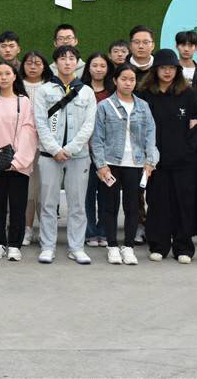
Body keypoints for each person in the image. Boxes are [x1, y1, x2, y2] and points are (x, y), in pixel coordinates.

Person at [90, 63, 159, 265]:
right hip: (111, 164)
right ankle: (112, 246)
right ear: (115, 80)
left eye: (132, 79)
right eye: (124, 79)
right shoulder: (104, 106)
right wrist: (101, 165)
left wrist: (150, 161)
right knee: (109, 206)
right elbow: (97, 139)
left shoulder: (143, 106)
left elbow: (150, 135)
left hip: (136, 164)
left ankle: (128, 247)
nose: (128, 83)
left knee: (132, 207)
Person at [34, 45, 97, 265]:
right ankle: (48, 246)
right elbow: (40, 122)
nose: (67, 62)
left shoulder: (87, 91)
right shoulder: (44, 90)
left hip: (78, 156)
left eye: (71, 58)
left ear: (77, 63)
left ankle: (76, 247)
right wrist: (54, 149)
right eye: (63, 58)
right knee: (48, 202)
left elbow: (89, 125)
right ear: (56, 63)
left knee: (77, 203)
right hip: (49, 155)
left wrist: (69, 149)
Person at [139, 49, 197, 263]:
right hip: (155, 162)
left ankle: (183, 247)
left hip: (184, 162)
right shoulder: (145, 94)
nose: (167, 72)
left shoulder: (188, 93)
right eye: (163, 68)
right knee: (157, 203)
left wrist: (187, 151)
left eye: (172, 68)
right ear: (155, 70)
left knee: (183, 204)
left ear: (178, 70)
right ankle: (158, 245)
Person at [0, 62, 38, 262]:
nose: (3, 77)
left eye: (7, 73)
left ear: (14, 76)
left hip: (18, 163)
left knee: (18, 205)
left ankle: (14, 245)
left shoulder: (24, 102)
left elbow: (29, 132)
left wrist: (19, 160)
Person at [80, 53, 115, 248]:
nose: (99, 69)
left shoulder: (113, 91)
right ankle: (90, 232)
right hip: (84, 149)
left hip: (108, 150)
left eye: (103, 65)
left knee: (106, 192)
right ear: (88, 68)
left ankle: (104, 231)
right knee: (87, 193)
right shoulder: (80, 90)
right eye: (95, 65)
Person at [20, 51, 51, 247]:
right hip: (23, 144)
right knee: (28, 190)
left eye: (37, 63)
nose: (32, 67)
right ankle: (27, 229)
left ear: (44, 66)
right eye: (29, 63)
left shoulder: (51, 87)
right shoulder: (17, 85)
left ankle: (46, 231)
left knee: (45, 189)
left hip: (46, 144)